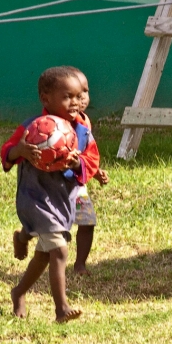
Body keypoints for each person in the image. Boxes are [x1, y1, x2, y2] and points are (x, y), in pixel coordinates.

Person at [0, 66, 99, 322]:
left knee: (45, 254)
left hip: (64, 198)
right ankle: (61, 308)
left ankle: (19, 291)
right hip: (36, 198)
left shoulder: (81, 129)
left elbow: (91, 159)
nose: (76, 102)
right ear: (46, 99)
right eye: (68, 96)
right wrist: (20, 150)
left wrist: (79, 164)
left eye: (81, 95)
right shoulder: (33, 127)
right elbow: (6, 153)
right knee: (59, 250)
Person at [72, 68, 110, 276]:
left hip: (77, 186)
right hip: (53, 189)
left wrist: (94, 171)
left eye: (84, 92)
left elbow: (87, 151)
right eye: (71, 96)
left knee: (87, 222)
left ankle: (80, 264)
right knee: (54, 231)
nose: (80, 99)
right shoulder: (51, 126)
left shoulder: (84, 122)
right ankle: (24, 237)